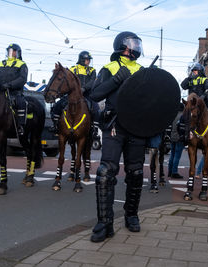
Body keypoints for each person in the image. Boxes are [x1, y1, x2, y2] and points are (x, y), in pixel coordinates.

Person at [89, 31, 144, 243]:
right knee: (105, 173)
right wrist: (116, 80)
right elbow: (95, 94)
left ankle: (132, 215)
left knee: (136, 173)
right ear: (121, 46)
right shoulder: (110, 68)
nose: (136, 47)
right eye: (132, 43)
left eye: (137, 43)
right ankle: (105, 222)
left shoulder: (143, 71)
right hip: (114, 128)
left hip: (137, 129)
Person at [50, 51, 99, 135]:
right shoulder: (72, 69)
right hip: (72, 94)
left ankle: (94, 129)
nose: (89, 61)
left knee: (96, 108)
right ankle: (55, 126)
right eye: (87, 60)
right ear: (82, 60)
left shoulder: (92, 70)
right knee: (58, 105)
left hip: (86, 94)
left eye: (89, 60)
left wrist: (83, 89)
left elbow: (92, 82)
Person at [0, 43, 28, 135]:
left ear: (18, 53)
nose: (11, 53)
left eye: (13, 51)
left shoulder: (22, 64)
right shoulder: (1, 63)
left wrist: (9, 85)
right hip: (1, 91)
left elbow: (22, 79)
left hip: (15, 92)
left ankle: (20, 126)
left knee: (21, 103)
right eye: (9, 51)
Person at [167, 103, 186, 179]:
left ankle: (170, 171)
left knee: (172, 155)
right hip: (179, 138)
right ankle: (174, 172)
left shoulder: (173, 115)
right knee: (177, 156)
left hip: (172, 137)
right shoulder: (183, 116)